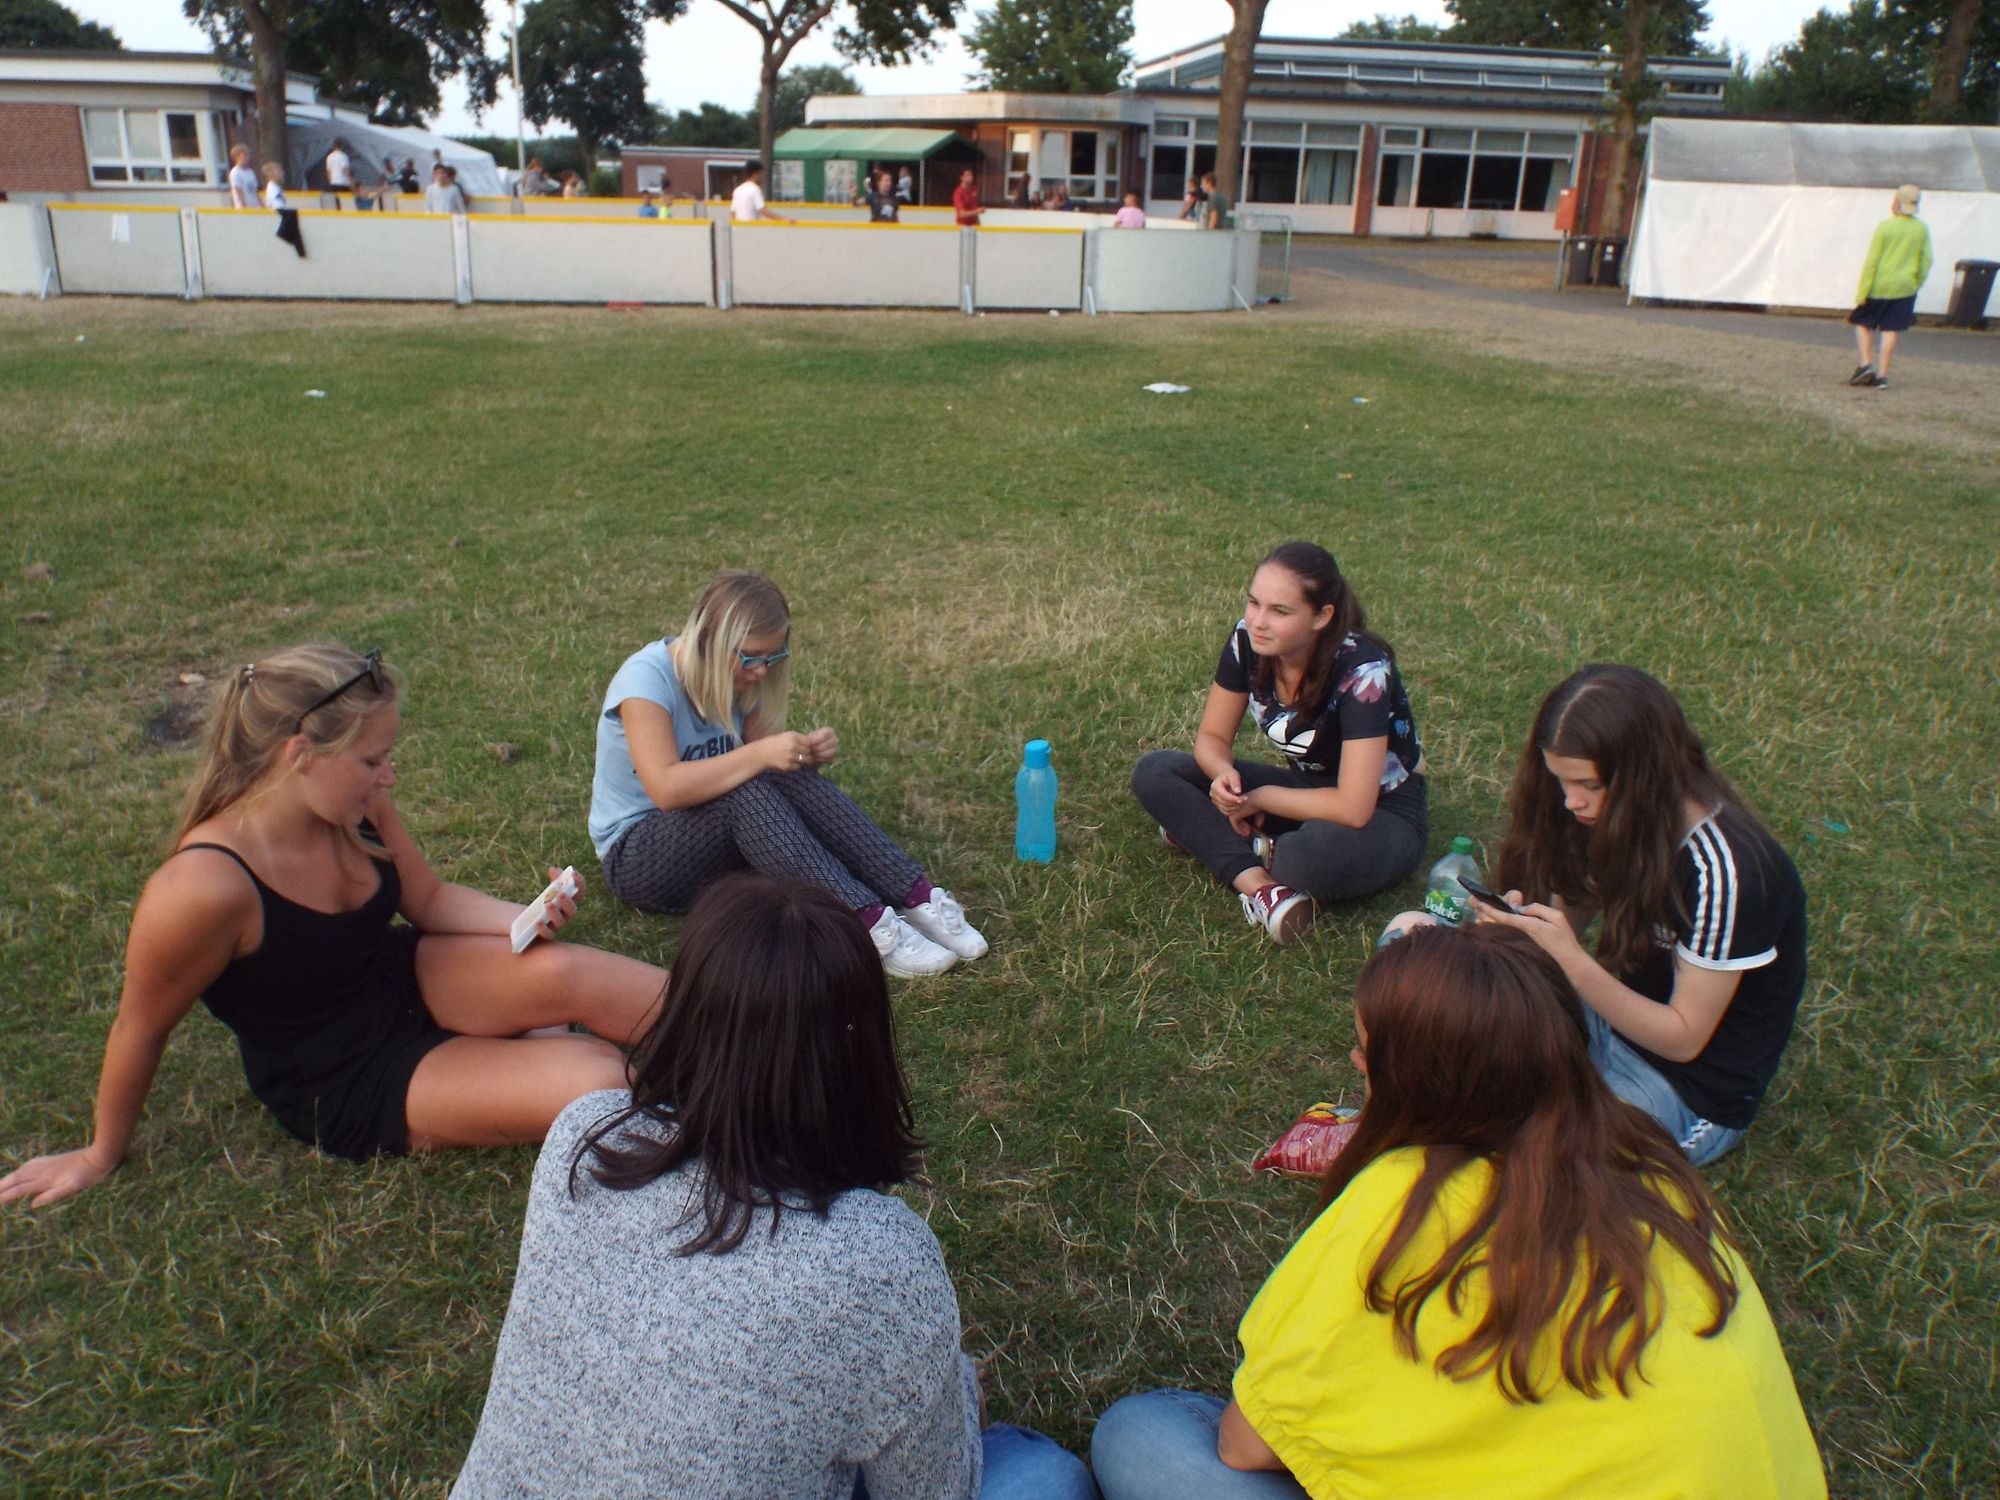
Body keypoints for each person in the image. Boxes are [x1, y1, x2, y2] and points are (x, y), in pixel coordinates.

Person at [1090, 923, 1827, 1500]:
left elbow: (1247, 1445)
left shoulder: (1407, 1200)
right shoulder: (1654, 1170)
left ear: (1426, 1080)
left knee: (1142, 1437)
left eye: (1368, 1053)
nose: (1355, 1065)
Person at [452, 875, 1096, 1499]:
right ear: (859, 1052)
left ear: (685, 1012)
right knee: (1044, 1474)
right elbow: (933, 1490)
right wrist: (946, 1383)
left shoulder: (585, 1134)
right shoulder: (880, 1259)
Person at [0, 645, 666, 1210]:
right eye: (373, 760)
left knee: (575, 973)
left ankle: (724, 1037)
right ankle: (536, 1041)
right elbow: (139, 1028)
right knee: (600, 1081)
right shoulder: (202, 889)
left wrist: (523, 919)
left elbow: (429, 899)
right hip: (345, 1070)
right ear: (299, 756)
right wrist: (99, 1153)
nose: (388, 776)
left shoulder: (355, 806)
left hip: (403, 978)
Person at [1471, 663, 1807, 1166]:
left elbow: (1684, 1038)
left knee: (1535, 1153)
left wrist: (1568, 960)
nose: (1571, 800)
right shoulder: (1619, 814)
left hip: (1683, 1090)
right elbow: (1578, 899)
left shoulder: (1728, 874)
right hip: (1607, 1026)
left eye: (1587, 784)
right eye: (1560, 780)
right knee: (1415, 944)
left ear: (1644, 774)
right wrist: (1522, 928)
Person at [589, 571, 988, 978]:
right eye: (751, 657)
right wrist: (762, 754)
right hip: (638, 857)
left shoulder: (737, 676)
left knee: (778, 775)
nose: (761, 671)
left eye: (772, 657)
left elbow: (764, 765)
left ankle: (917, 896)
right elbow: (666, 789)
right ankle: (864, 922)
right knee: (746, 788)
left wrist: (803, 754)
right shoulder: (646, 681)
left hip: (710, 838)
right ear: (710, 639)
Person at [1131, 542, 1428, 946]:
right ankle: (1262, 887)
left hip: (1383, 810)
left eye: (1279, 611)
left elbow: (1354, 808)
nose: (1258, 621)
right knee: (1157, 771)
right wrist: (1224, 777)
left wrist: (1259, 798)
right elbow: (1212, 738)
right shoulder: (1247, 641)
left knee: (1306, 857)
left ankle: (1215, 837)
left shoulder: (1363, 671)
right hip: (1305, 790)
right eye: (1254, 603)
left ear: (1322, 616)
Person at [1847, 182, 1933, 390]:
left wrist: (1862, 291)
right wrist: (1917, 282)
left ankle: (1866, 363)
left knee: (1863, 323)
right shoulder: (1921, 229)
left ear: (1896, 203)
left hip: (1880, 285)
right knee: (1891, 328)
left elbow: (1872, 262)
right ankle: (1883, 375)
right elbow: (1926, 260)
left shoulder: (1885, 227)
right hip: (1905, 287)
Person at [323, 137, 353, 208]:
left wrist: (331, 181)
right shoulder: (343, 156)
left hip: (334, 182)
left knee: (336, 202)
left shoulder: (329, 157)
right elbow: (344, 169)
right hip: (343, 182)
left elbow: (328, 171)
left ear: (333, 146)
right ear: (341, 146)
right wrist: (350, 180)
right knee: (345, 203)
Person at [226, 143, 258, 209]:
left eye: (248, 155)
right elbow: (238, 191)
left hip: (255, 207)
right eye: (244, 155)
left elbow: (255, 191)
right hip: (243, 208)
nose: (247, 158)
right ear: (237, 156)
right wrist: (244, 208)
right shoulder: (235, 172)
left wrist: (262, 206)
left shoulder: (250, 172)